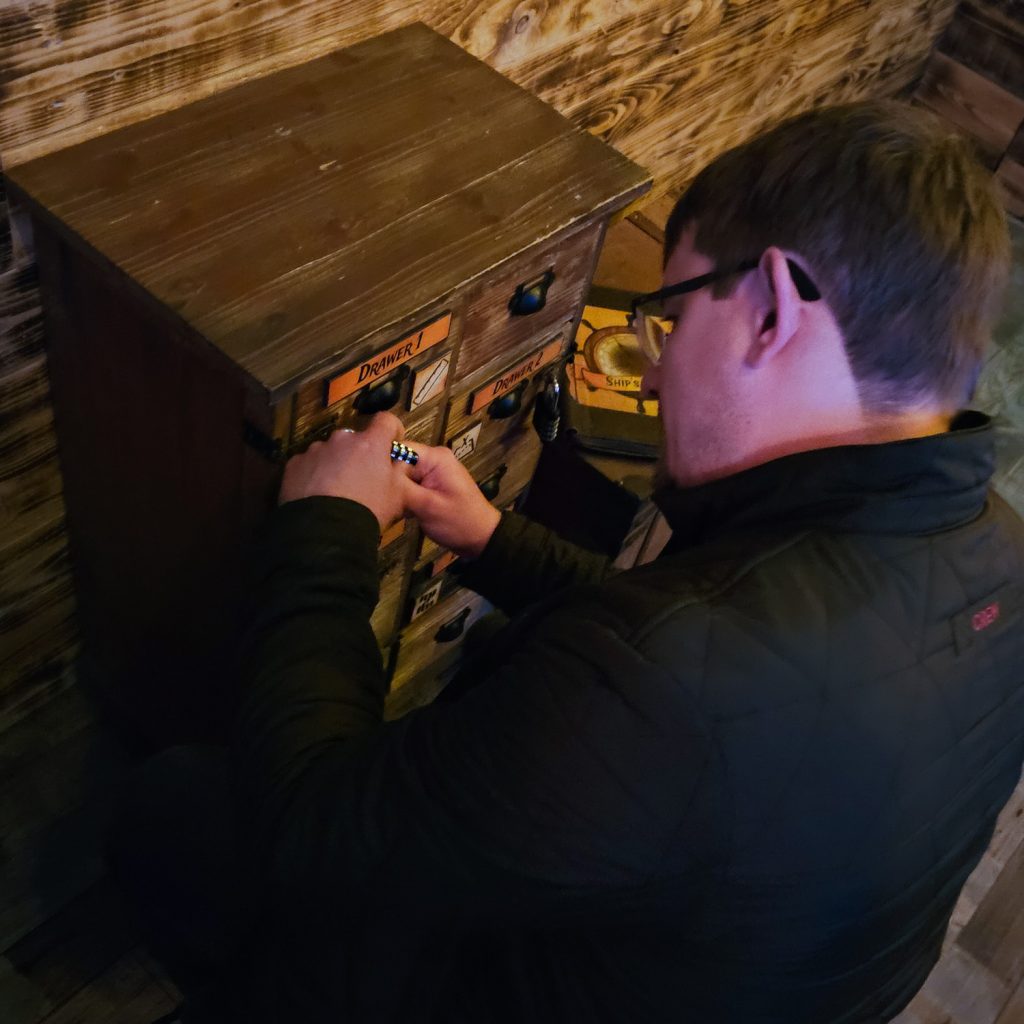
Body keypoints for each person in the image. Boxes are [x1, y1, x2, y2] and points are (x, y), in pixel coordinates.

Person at [113, 100, 1024, 1023]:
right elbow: (733, 674)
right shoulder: (999, 551)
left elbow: (311, 832)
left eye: (669, 318)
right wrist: (497, 540)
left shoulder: (666, 691)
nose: (657, 371)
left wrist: (324, 533)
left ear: (769, 311)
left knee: (176, 808)